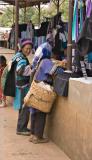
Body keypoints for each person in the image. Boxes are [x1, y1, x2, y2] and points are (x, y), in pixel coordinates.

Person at [24, 47, 67, 144]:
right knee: (41, 113)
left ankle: (32, 135)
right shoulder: (46, 61)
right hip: (43, 90)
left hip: (36, 88)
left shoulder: (41, 61)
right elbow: (54, 71)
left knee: (34, 112)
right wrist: (62, 67)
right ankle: (38, 137)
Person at [12, 39, 33, 136]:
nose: (28, 51)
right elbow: (20, 71)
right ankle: (21, 128)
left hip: (17, 86)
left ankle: (21, 127)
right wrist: (31, 68)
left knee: (22, 107)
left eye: (30, 49)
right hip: (22, 86)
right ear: (22, 48)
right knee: (25, 106)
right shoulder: (23, 59)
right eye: (26, 48)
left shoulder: (17, 56)